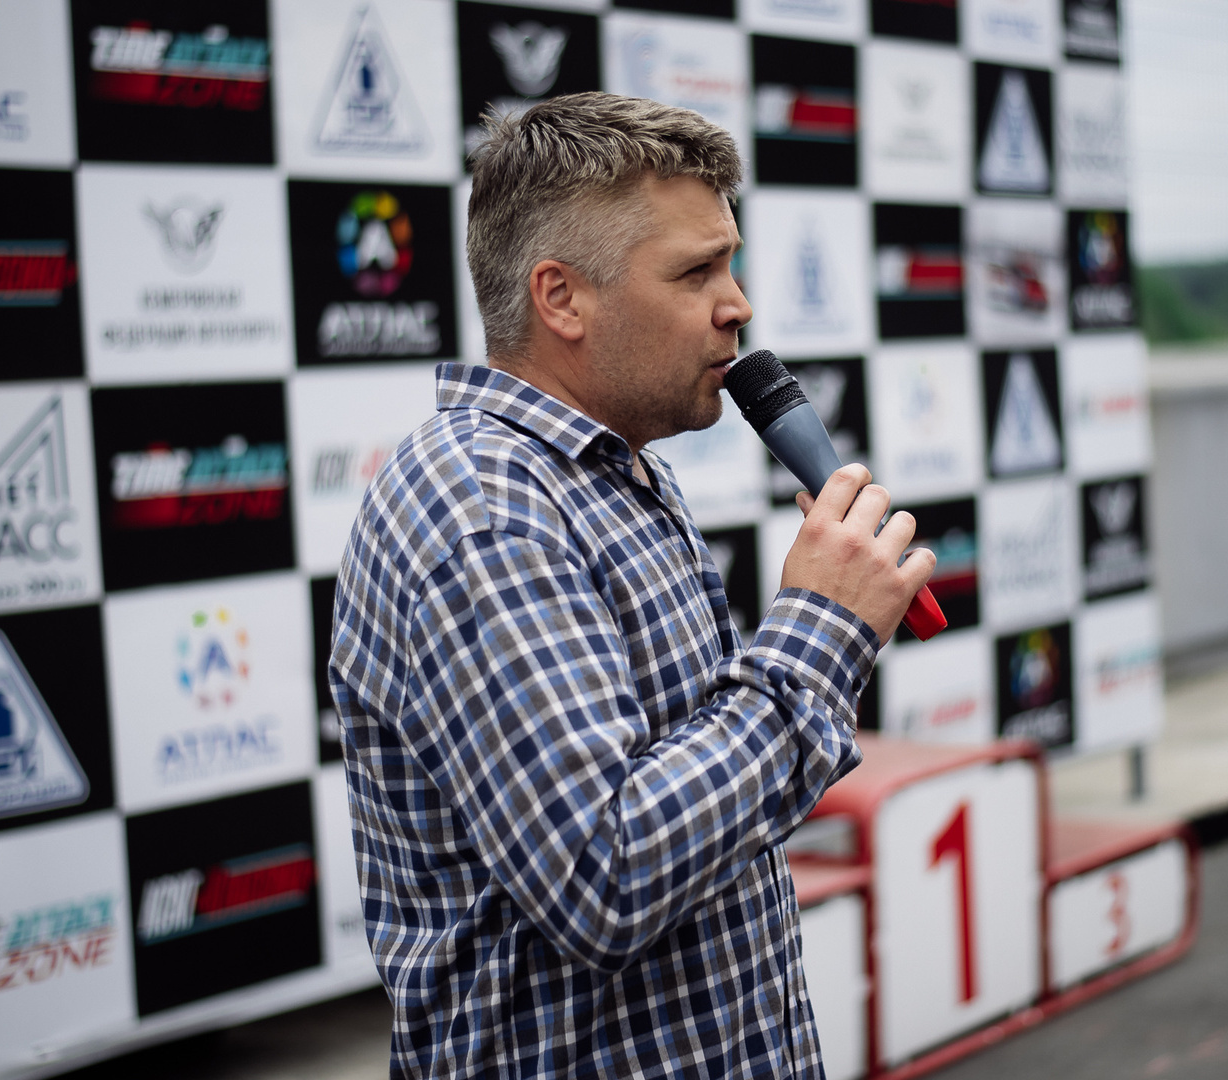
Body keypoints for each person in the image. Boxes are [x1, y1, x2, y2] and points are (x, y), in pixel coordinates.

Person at [328, 92, 936, 1078]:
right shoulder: (483, 505)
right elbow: (603, 876)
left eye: (730, 263)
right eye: (697, 272)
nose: (738, 304)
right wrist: (820, 631)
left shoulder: (608, 469)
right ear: (561, 298)